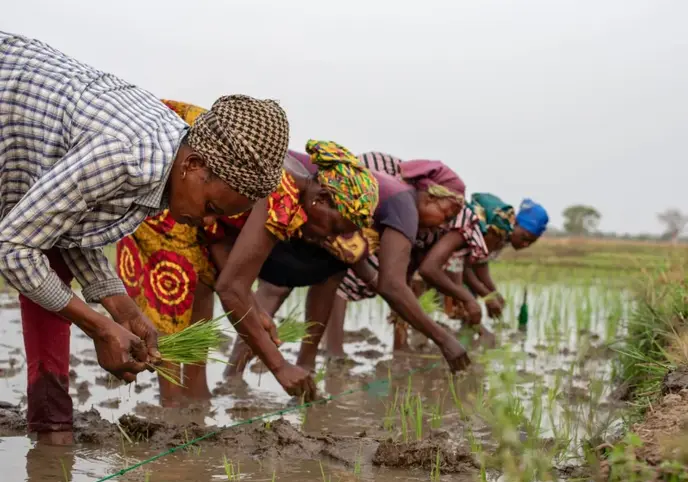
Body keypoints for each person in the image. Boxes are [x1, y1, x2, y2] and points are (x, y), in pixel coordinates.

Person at [0, 32, 289, 445]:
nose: (206, 222)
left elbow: (67, 229)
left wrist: (122, 309)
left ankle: (50, 431)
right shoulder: (128, 155)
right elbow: (13, 248)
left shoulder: (170, 161)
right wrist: (99, 328)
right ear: (193, 165)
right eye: (211, 207)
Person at [118, 103, 378, 403]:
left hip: (196, 192)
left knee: (204, 283)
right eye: (333, 227)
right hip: (178, 177)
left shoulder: (294, 191)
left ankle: (195, 402)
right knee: (175, 290)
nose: (328, 237)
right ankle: (173, 404)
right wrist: (280, 367)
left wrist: (253, 307)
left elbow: (221, 251)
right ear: (322, 198)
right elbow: (232, 289)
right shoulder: (283, 194)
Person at [223, 152, 473, 376]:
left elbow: (357, 262)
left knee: (329, 273)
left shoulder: (389, 195)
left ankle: (294, 367)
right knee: (277, 286)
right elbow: (391, 284)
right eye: (447, 214)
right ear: (430, 194)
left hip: (297, 205)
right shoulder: (404, 205)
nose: (442, 225)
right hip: (277, 190)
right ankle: (238, 373)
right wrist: (445, 341)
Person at [439, 194, 549, 320]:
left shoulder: (506, 237)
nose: (524, 244)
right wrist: (488, 296)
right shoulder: (496, 232)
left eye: (530, 242)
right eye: (524, 237)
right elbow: (465, 266)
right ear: (517, 224)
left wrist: (494, 293)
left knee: (468, 305)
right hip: (444, 264)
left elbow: (480, 263)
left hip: (455, 268)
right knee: (457, 303)